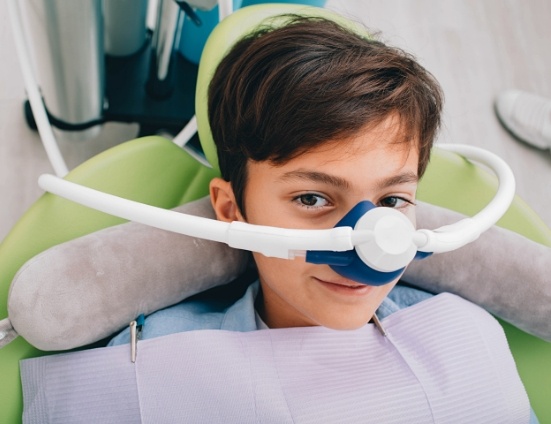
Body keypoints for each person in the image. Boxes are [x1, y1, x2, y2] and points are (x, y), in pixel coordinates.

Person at [109, 14, 537, 422]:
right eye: (312, 198)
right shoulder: (156, 356)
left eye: (390, 202)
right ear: (231, 209)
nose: (365, 245)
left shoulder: (462, 339)